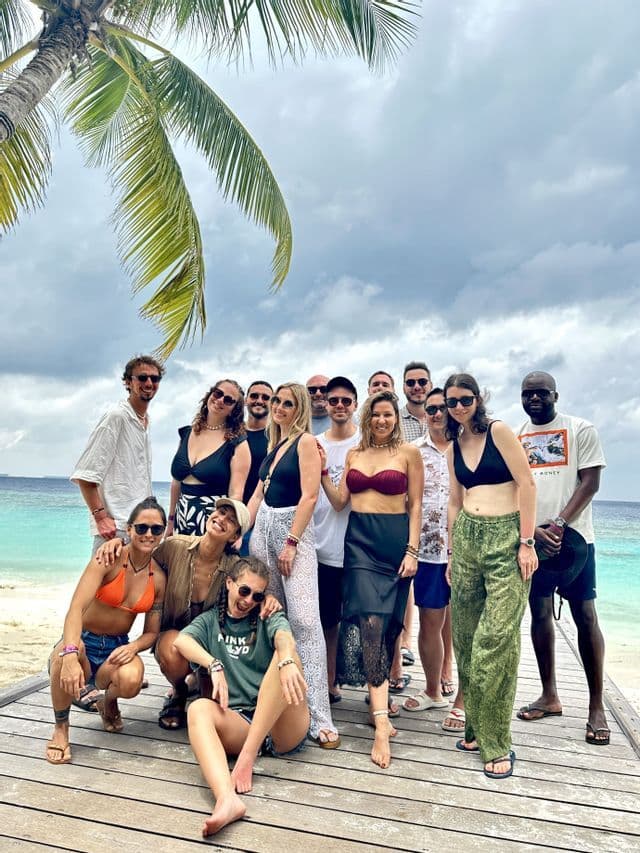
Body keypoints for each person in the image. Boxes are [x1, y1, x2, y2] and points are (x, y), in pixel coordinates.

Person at [96, 498, 281, 730]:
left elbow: (252, 585)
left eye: (231, 520)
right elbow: (139, 553)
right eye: (220, 512)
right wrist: (116, 543)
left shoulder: (234, 566)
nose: (222, 519)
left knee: (215, 711)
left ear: (235, 536)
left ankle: (200, 683)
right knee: (172, 646)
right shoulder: (175, 546)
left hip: (212, 646)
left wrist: (269, 597)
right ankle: (180, 693)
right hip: (172, 639)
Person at [320, 390, 423, 768]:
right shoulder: (354, 455)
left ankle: (376, 700)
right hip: (359, 544)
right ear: (368, 418)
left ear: (395, 418)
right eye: (376, 415)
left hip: (394, 545)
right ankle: (381, 724)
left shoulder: (408, 454)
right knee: (370, 625)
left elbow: (416, 508)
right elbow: (338, 501)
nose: (382, 421)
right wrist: (320, 474)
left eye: (388, 415)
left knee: (390, 628)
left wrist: (412, 552)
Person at [173, 557, 310, 837]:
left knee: (288, 657)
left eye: (258, 595)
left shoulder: (266, 616)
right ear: (229, 584)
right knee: (198, 709)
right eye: (244, 591)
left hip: (282, 724)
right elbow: (181, 641)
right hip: (243, 723)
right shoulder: (211, 621)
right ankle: (227, 799)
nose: (249, 600)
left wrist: (284, 656)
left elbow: (284, 637)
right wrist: (213, 664)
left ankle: (247, 757)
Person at [445, 373, 537, 780]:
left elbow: (528, 483)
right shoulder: (454, 443)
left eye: (465, 400)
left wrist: (527, 541)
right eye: (452, 402)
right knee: (465, 637)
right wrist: (451, 551)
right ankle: (474, 728)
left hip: (506, 538)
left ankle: (497, 739)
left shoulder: (498, 432)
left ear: (478, 399)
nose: (459, 407)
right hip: (466, 539)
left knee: (495, 640)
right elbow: (453, 499)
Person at [516, 371, 609, 745]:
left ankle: (597, 706)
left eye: (541, 393)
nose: (534, 399)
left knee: (585, 616)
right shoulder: (518, 436)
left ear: (554, 395)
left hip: (575, 541)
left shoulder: (579, 429)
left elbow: (590, 483)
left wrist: (558, 523)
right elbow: (516, 488)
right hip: (535, 541)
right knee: (539, 613)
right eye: (528, 394)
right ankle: (549, 694)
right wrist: (532, 532)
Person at [248, 382, 339, 747]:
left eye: (287, 403)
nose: (279, 407)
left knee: (304, 621)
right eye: (276, 401)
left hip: (291, 533)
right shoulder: (273, 446)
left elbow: (310, 496)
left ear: (299, 408)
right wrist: (239, 527)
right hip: (263, 530)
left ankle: (319, 716)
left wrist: (292, 542)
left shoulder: (304, 442)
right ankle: (277, 706)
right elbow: (258, 494)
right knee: (271, 616)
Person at [46, 497, 167, 764]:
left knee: (132, 678)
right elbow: (75, 609)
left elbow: (151, 633)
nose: (149, 534)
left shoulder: (157, 577)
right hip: (84, 642)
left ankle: (108, 701)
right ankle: (61, 728)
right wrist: (69, 653)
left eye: (156, 529)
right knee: (64, 656)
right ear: (130, 529)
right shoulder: (107, 557)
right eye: (142, 527)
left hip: (116, 646)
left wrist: (133, 647)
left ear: (164, 532)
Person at [71, 355, 164, 553]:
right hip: (116, 530)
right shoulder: (117, 416)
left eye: (155, 379)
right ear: (128, 382)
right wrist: (101, 518)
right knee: (104, 584)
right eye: (142, 378)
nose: (149, 383)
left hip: (140, 528)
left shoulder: (145, 420)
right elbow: (86, 475)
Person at [403, 387, 458, 716]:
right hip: (426, 550)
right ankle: (432, 690)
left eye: (443, 407)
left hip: (464, 550)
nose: (437, 413)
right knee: (429, 620)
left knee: (466, 624)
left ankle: (465, 700)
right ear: (423, 413)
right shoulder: (414, 451)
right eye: (431, 408)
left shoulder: (467, 446)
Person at [314, 376, 360, 704]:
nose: (340, 406)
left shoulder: (365, 442)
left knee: (368, 622)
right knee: (327, 621)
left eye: (346, 400)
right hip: (320, 544)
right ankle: (330, 682)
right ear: (326, 405)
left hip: (359, 546)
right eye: (334, 401)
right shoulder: (315, 443)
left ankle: (377, 688)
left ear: (355, 404)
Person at [167, 380, 250, 536]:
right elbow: (176, 482)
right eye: (218, 393)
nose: (220, 400)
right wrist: (170, 521)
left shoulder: (237, 443)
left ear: (234, 410)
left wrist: (226, 531)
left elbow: (236, 495)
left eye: (228, 400)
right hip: (181, 517)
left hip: (213, 522)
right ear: (209, 395)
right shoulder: (186, 434)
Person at [242, 381, 273, 505]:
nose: (259, 401)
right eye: (254, 396)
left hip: (262, 509)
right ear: (245, 400)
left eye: (266, 398)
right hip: (227, 507)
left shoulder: (277, 437)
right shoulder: (232, 432)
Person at [400, 360, 432, 442]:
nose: (417, 387)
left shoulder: (445, 418)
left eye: (422, 382)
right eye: (410, 383)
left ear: (431, 385)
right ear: (403, 388)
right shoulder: (393, 420)